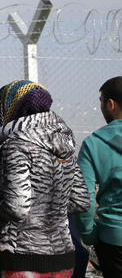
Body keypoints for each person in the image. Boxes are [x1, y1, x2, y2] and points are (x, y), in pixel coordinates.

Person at [0, 80, 89, 278]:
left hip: (23, 258)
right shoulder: (65, 143)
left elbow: (17, 207)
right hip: (64, 258)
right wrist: (51, 207)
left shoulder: (16, 145)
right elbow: (81, 200)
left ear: (13, 106)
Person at [77, 76, 122, 277]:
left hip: (113, 240)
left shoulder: (93, 144)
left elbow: (83, 197)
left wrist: (90, 233)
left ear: (111, 104)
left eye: (102, 102)